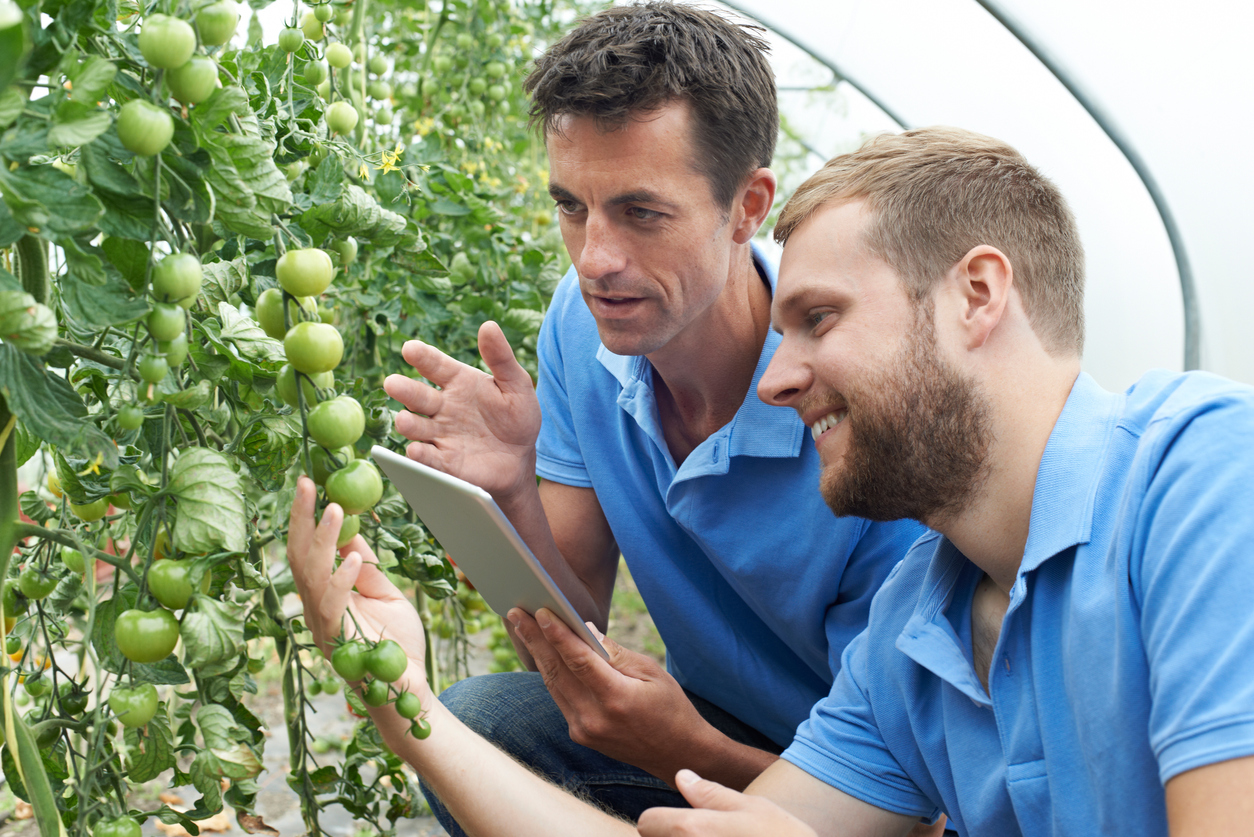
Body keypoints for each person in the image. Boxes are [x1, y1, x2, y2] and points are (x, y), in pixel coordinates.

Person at [289, 125, 1254, 836]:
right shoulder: (918, 630)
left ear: (977, 294)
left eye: (820, 319)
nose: (779, 376)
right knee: (487, 719)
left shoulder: (1201, 480)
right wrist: (400, 696)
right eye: (572, 209)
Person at [372, 1, 926, 833]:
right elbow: (559, 647)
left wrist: (681, 744)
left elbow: (917, 807)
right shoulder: (580, 324)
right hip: (715, 727)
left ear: (748, 206)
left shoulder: (860, 409)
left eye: (641, 212)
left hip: (860, 779)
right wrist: (511, 495)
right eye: (572, 206)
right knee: (487, 720)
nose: (596, 260)